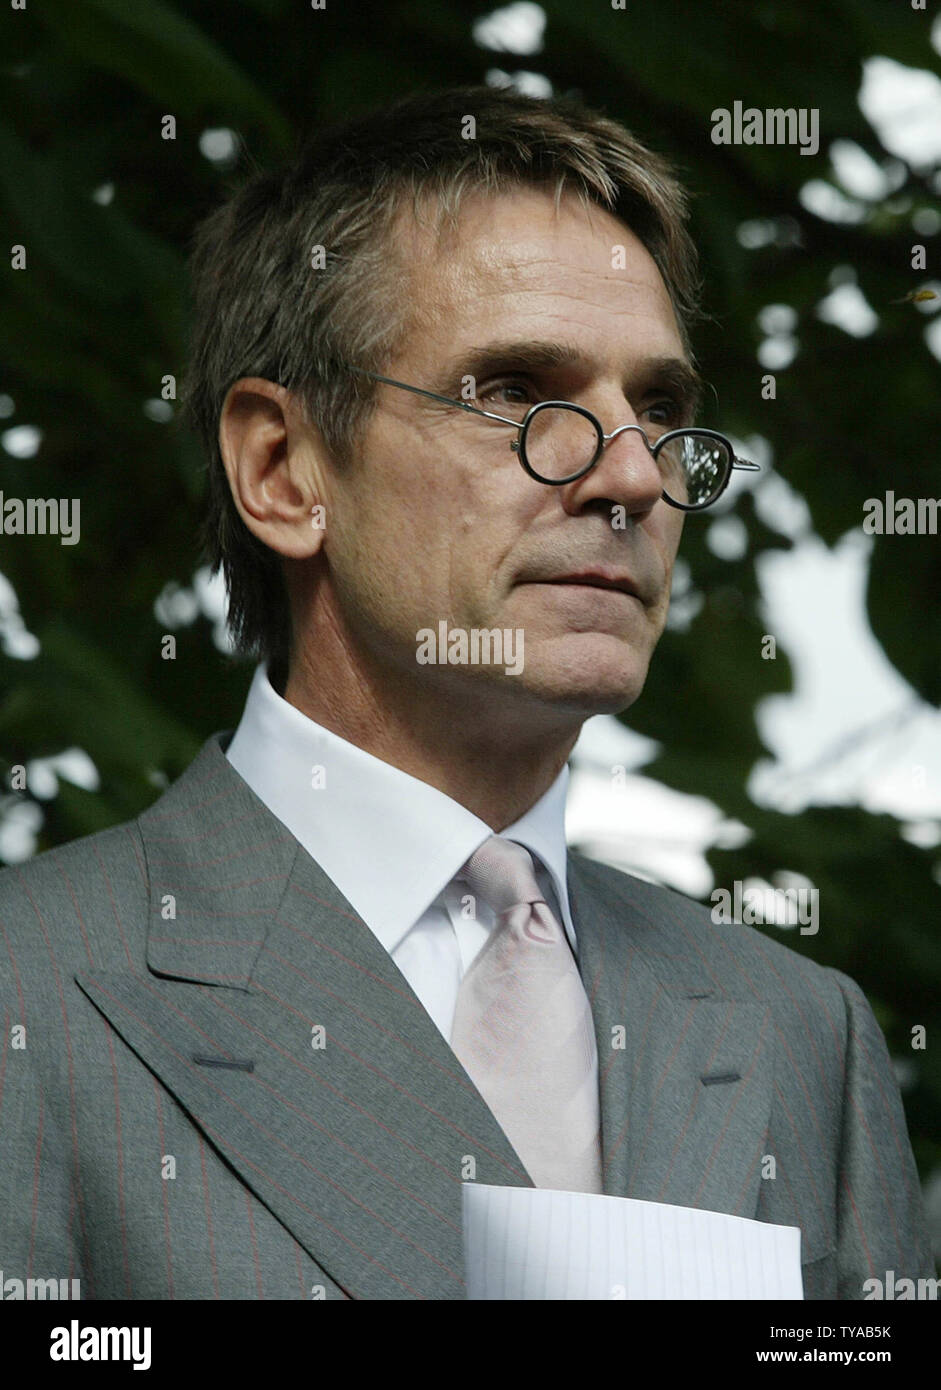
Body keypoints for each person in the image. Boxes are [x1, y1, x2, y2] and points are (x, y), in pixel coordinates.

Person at [0, 86, 932, 1301]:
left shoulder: (800, 1029)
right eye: (513, 391)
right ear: (283, 471)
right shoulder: (33, 986)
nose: (633, 477)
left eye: (659, 408)